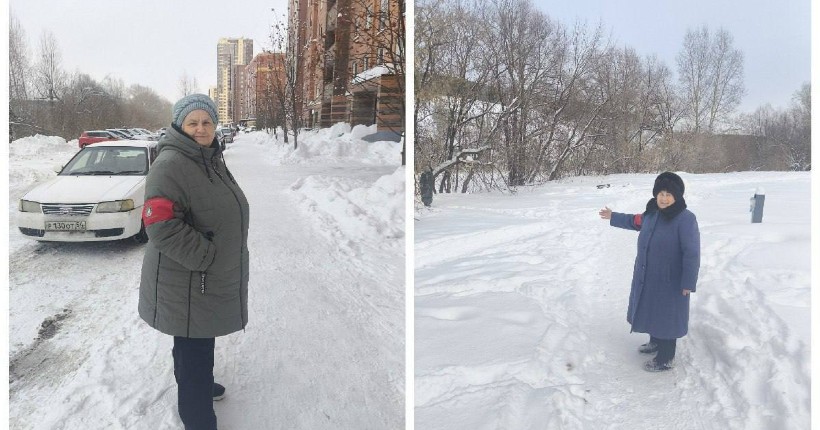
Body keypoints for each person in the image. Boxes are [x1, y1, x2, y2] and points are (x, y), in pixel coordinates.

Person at [138, 94, 250, 429]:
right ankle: (197, 415)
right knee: (194, 347)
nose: (201, 128)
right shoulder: (171, 164)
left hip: (202, 278)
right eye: (192, 123)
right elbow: (160, 225)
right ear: (179, 125)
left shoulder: (208, 157)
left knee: (196, 339)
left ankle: (197, 385)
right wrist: (206, 257)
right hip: (188, 278)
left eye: (206, 122)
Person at [598, 172, 700, 372]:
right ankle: (655, 342)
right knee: (653, 310)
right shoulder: (651, 214)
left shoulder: (686, 219)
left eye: (668, 194)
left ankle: (665, 358)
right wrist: (613, 216)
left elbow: (692, 253)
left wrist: (688, 282)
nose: (664, 198)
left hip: (672, 280)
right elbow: (634, 221)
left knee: (667, 316)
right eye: (661, 194)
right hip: (649, 276)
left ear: (677, 196)